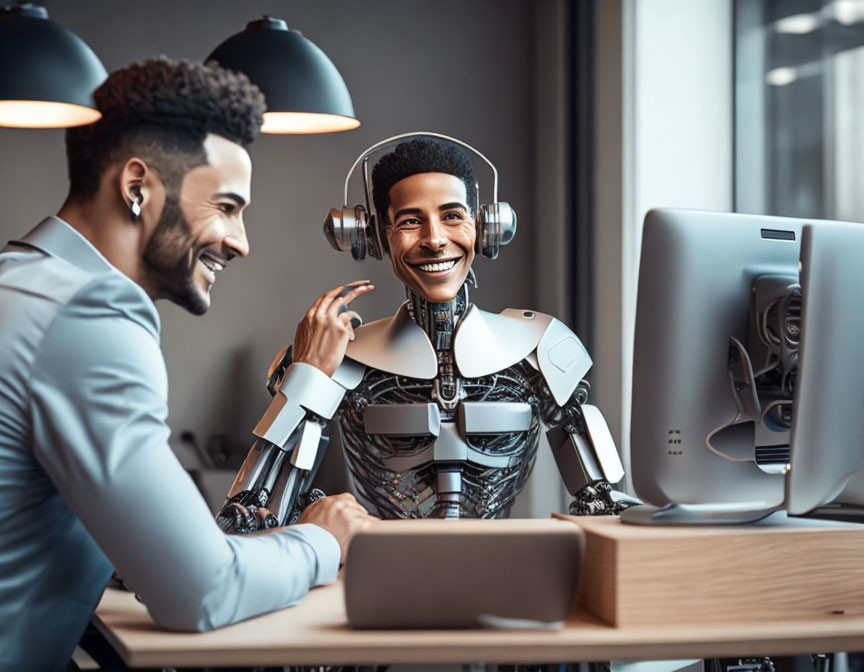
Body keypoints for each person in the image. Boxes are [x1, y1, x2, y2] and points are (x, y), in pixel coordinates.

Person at [0, 58, 375, 671]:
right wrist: (323, 540)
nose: (241, 241)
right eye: (227, 207)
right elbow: (204, 590)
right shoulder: (88, 311)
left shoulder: (21, 282)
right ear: (138, 186)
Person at [221, 135, 638, 526]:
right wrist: (309, 374)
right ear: (374, 236)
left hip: (503, 571)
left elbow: (605, 503)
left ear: (485, 226)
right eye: (409, 221)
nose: (435, 239)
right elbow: (252, 514)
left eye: (452, 216)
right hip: (382, 574)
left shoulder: (538, 346)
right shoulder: (343, 355)